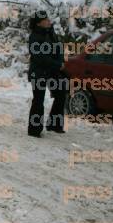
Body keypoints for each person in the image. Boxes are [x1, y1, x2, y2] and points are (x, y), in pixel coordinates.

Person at [27, 10, 68, 138]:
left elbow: (58, 48)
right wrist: (57, 64)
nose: (48, 21)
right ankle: (34, 130)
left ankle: (54, 125)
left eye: (48, 19)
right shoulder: (34, 38)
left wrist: (60, 61)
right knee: (38, 100)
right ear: (39, 23)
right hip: (38, 73)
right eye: (45, 20)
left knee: (61, 93)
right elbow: (41, 58)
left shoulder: (51, 32)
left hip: (52, 71)